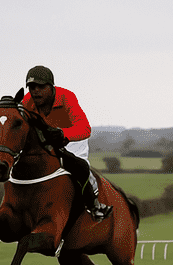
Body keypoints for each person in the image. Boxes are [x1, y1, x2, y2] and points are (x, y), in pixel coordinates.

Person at [21, 65, 112, 220]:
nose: (35, 91)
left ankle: (94, 205)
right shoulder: (27, 102)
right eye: (31, 87)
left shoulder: (67, 97)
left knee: (80, 168)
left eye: (41, 87)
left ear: (51, 87)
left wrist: (64, 134)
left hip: (72, 140)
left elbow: (85, 129)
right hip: (46, 142)